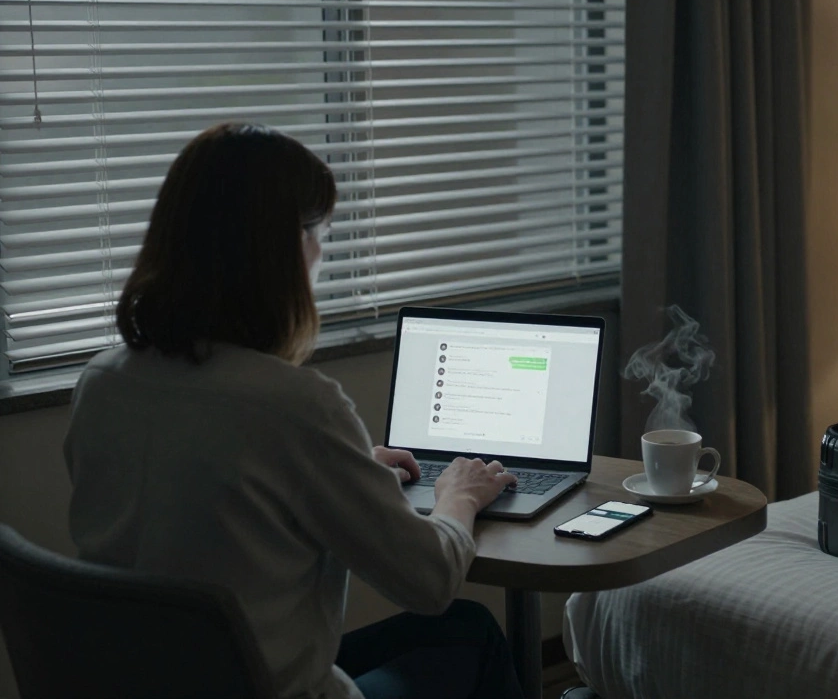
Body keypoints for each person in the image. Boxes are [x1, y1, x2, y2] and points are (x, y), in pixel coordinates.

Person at [63, 124, 523, 699]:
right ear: (283, 248)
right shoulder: (294, 407)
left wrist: (348, 468)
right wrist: (459, 494)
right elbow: (431, 581)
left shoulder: (103, 381)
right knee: (470, 630)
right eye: (318, 232)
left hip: (149, 683)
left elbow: (209, 505)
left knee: (460, 630)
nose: (321, 252)